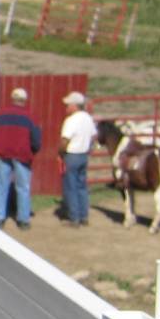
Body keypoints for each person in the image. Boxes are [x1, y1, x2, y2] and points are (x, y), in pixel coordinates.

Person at [0, 87, 42, 230]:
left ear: (12, 99)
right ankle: (23, 220)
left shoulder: (1, 114)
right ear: (24, 101)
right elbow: (36, 140)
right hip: (22, 156)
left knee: (1, 186)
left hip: (3, 154)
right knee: (23, 187)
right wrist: (32, 151)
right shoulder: (30, 117)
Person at [59, 90, 98, 226]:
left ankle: (74, 218)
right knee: (82, 186)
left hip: (72, 155)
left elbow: (65, 140)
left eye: (68, 105)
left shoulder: (71, 120)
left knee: (71, 187)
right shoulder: (88, 118)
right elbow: (94, 136)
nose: (66, 107)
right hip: (83, 155)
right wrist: (90, 147)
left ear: (75, 105)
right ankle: (84, 216)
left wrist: (60, 153)